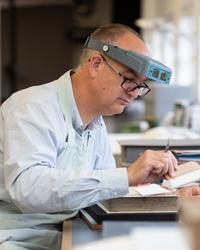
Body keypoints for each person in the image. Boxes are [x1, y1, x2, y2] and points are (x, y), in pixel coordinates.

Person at [0, 23, 178, 250]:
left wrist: (173, 193)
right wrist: (126, 176)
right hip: (18, 240)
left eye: (140, 85)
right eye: (129, 79)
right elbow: (29, 189)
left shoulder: (95, 123)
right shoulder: (32, 107)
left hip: (65, 233)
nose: (134, 93)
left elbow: (102, 192)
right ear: (95, 64)